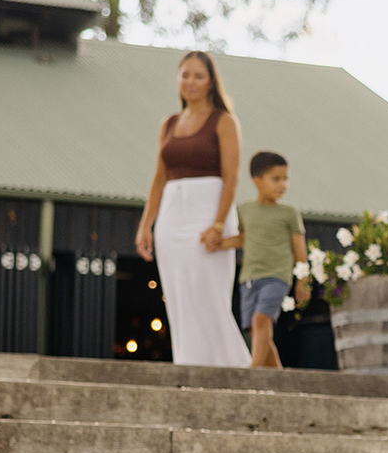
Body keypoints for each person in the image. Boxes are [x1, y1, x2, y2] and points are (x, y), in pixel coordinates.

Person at [133, 51, 249, 367]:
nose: (191, 82)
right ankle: (187, 366)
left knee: (208, 294)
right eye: (185, 75)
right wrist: (146, 224)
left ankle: (233, 368)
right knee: (178, 295)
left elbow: (232, 177)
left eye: (199, 76)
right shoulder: (168, 124)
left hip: (209, 211)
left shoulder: (224, 122)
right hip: (172, 215)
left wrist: (217, 224)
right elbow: (158, 178)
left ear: (211, 82)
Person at [225, 151, 310, 369]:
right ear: (257, 181)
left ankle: (254, 371)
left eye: (286, 179)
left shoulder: (289, 213)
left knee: (261, 320)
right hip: (248, 279)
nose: (283, 184)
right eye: (276, 179)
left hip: (276, 277)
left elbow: (300, 251)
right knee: (257, 331)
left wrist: (303, 281)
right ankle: (278, 378)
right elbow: (243, 238)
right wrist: (218, 242)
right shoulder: (244, 210)